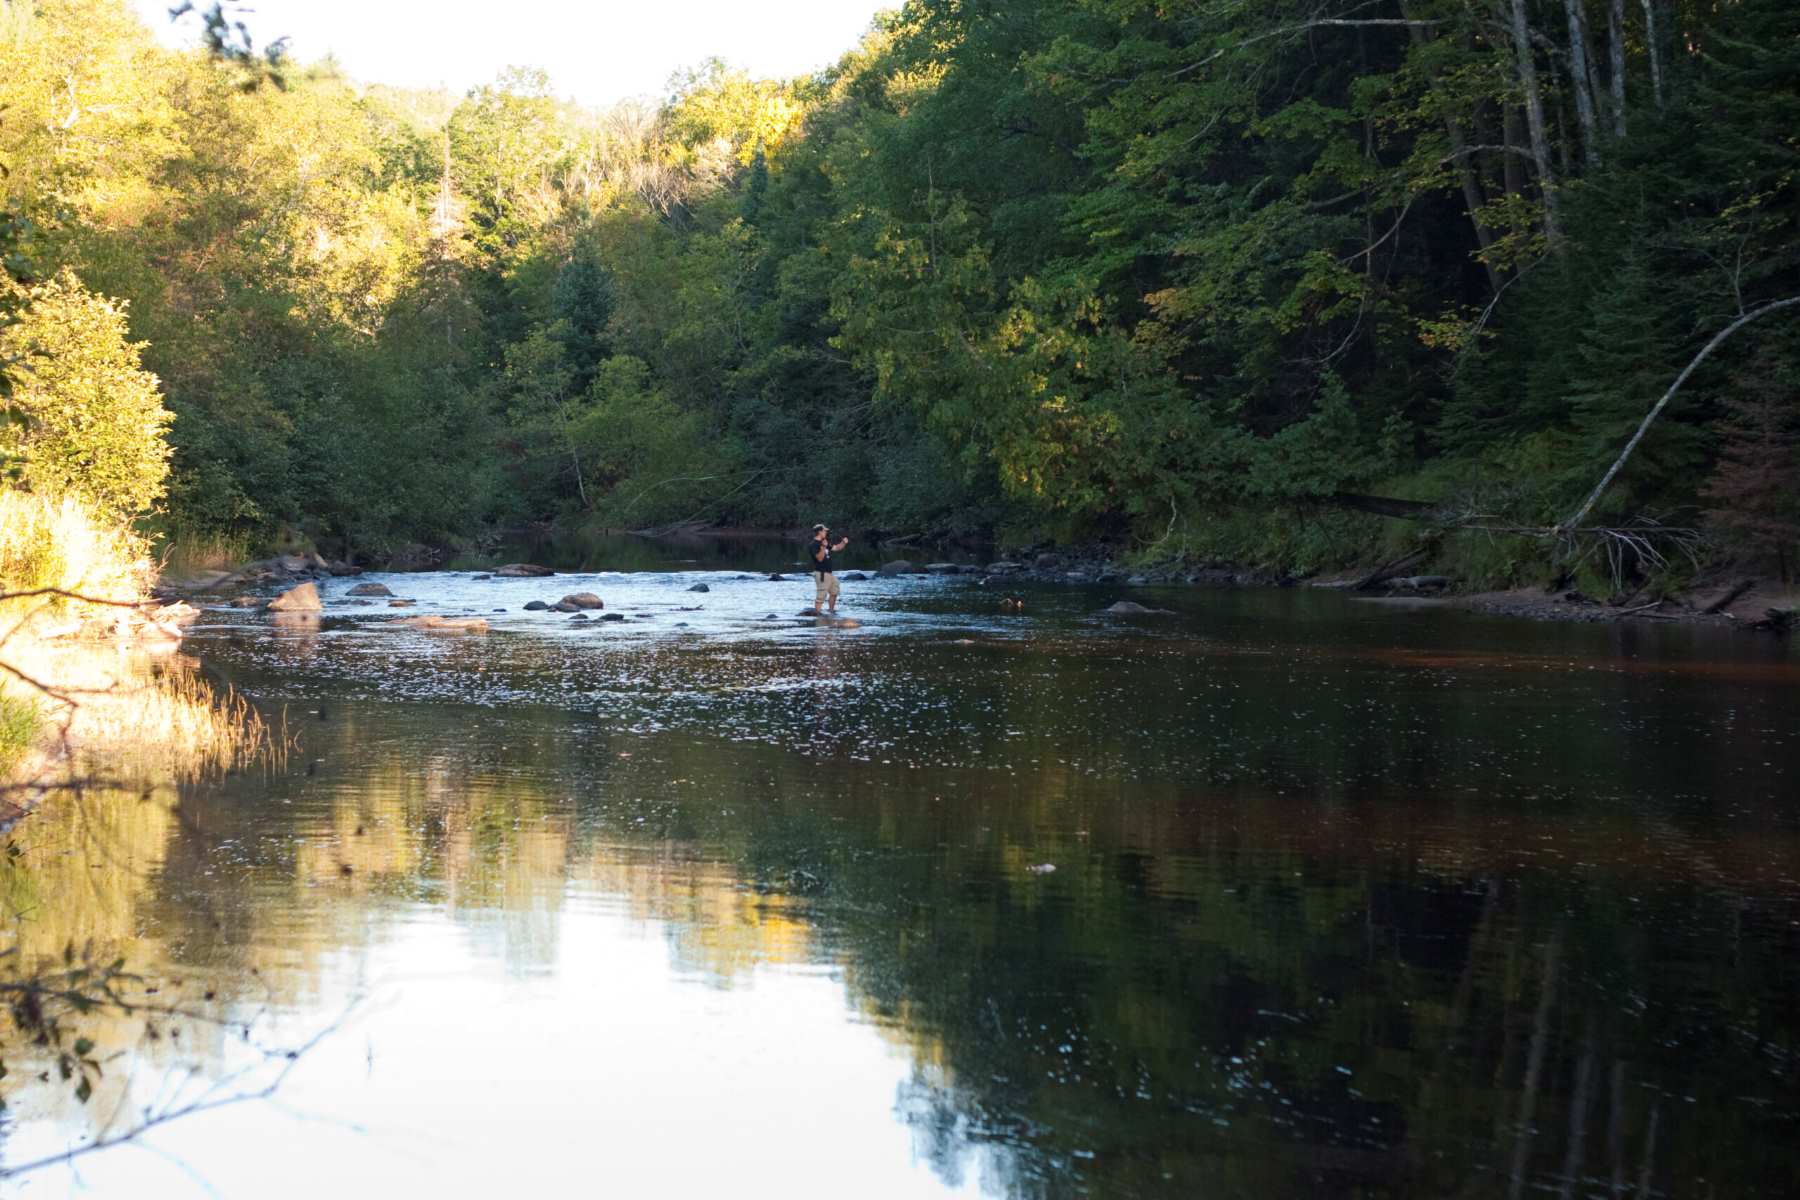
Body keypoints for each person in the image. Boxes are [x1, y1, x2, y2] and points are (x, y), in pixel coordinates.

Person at [807, 522, 849, 615]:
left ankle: (831, 612)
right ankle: (817, 615)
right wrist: (823, 547)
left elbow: (837, 548)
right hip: (821, 573)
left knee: (834, 592)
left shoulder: (825, 542)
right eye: (825, 531)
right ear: (819, 532)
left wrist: (843, 543)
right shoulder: (813, 544)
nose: (826, 532)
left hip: (829, 574)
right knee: (821, 596)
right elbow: (819, 558)